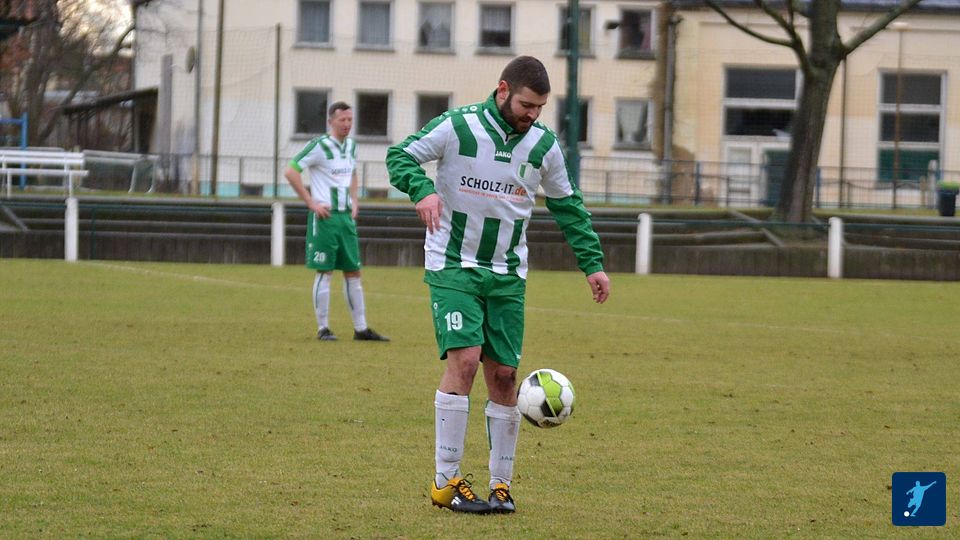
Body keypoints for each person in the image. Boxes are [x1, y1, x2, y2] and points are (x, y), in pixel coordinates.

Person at [386, 56, 610, 514]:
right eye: (527, 105)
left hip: (507, 273)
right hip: (453, 264)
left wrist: (593, 264)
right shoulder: (458, 126)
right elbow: (399, 155)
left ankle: (500, 486)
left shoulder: (544, 145)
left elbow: (569, 206)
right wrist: (421, 189)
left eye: (540, 107)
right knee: (465, 361)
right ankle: (445, 483)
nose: (533, 114)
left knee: (505, 376)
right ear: (503, 90)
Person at [284, 101, 389, 342]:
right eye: (342, 120)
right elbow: (291, 171)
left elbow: (352, 173)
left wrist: (355, 200)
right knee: (325, 270)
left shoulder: (351, 146)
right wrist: (311, 202)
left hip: (345, 218)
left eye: (350, 120)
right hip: (325, 217)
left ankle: (361, 329)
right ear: (331, 121)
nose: (347, 124)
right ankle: (323, 328)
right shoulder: (319, 145)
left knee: (353, 272)